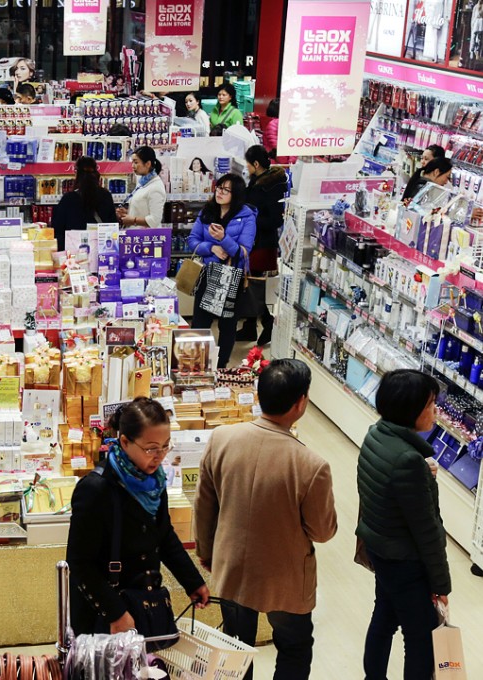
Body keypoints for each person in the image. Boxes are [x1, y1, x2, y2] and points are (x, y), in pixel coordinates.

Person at [194, 359, 337, 680]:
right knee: (294, 648)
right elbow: (322, 531)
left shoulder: (221, 439)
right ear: (301, 402)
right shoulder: (311, 464)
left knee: (235, 649)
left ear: (258, 395)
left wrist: (207, 550)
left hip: (232, 568)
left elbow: (205, 504)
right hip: (285, 578)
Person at [67, 398, 210, 636]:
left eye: (165, 446)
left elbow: (163, 535)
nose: (160, 456)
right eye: (151, 448)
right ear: (124, 441)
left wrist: (192, 581)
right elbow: (80, 563)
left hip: (144, 602)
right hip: (104, 615)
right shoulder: (96, 488)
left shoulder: (155, 481)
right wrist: (116, 613)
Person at [357, 369, 450, 680]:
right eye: (430, 405)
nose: (434, 411)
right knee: (422, 640)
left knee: (384, 617)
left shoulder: (376, 433)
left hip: (380, 548)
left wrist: (423, 474)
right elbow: (427, 531)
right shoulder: (409, 462)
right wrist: (440, 585)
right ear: (412, 410)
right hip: (404, 560)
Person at [186, 173, 257, 368]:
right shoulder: (207, 211)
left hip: (230, 277)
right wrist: (211, 248)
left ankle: (221, 366)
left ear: (237, 194)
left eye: (226, 190)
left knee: (227, 326)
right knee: (200, 324)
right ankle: (195, 366)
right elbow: (192, 241)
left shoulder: (246, 216)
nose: (220, 193)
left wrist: (224, 238)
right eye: (219, 188)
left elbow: (243, 252)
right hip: (207, 274)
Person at [238, 144, 288, 346]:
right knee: (249, 285)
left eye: (248, 164)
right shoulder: (259, 181)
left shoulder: (270, 186)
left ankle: (268, 323)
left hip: (261, 243)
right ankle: (250, 328)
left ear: (256, 164)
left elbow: (275, 220)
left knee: (254, 287)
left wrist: (250, 221)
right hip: (253, 242)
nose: (247, 168)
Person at [51, 157, 117, 250]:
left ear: (76, 173)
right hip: (102, 249)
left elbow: (58, 229)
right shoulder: (106, 196)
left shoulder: (68, 199)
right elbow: (112, 225)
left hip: (73, 253)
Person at [116, 146, 166, 229]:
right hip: (136, 235)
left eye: (136, 162)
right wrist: (129, 213)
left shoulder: (156, 187)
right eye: (132, 162)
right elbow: (143, 210)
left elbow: (155, 220)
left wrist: (133, 220)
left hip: (146, 237)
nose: (132, 166)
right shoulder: (143, 182)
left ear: (148, 164)